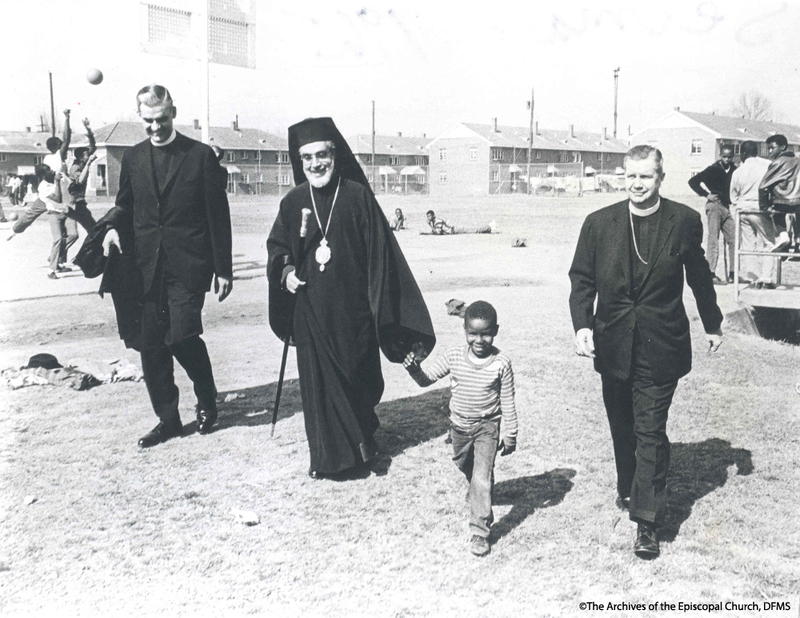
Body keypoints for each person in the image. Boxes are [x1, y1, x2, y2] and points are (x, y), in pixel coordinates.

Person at [569, 145, 723, 559]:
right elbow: (582, 279)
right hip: (614, 343)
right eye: (631, 176)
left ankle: (646, 523)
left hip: (661, 345)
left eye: (646, 177)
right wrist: (583, 324)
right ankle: (628, 487)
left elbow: (699, 277)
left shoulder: (685, 221)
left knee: (649, 430)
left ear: (660, 178)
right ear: (624, 177)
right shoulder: (599, 223)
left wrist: (712, 322)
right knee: (623, 427)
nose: (638, 184)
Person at [266, 117, 435, 478]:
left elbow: (382, 256)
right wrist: (286, 273)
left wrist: (383, 312)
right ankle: (329, 460)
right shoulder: (293, 201)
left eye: (322, 155)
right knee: (318, 389)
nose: (315, 164)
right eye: (307, 158)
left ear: (335, 154)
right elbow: (279, 249)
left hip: (354, 311)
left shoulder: (357, 196)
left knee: (359, 379)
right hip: (310, 311)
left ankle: (361, 439)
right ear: (300, 162)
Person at [101, 84, 232, 448]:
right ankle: (169, 420)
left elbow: (217, 216)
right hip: (144, 267)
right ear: (139, 117)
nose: (155, 127)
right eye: (148, 121)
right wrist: (112, 227)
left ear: (172, 111)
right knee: (151, 345)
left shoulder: (200, 156)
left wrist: (224, 269)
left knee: (183, 335)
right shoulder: (133, 157)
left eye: (161, 119)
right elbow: (125, 204)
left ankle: (207, 398)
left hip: (188, 265)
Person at [403, 300, 517, 557]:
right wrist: (413, 369)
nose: (479, 339)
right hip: (459, 428)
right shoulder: (454, 356)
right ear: (465, 331)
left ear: (495, 330)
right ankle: (480, 488)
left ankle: (480, 531)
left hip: (488, 426)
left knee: (481, 476)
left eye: (486, 333)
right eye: (473, 333)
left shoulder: (502, 363)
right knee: (465, 465)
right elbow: (426, 380)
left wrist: (510, 433)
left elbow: (508, 400)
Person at [729, 141, 778, 288]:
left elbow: (733, 195)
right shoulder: (766, 167)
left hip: (743, 209)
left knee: (748, 245)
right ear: (756, 152)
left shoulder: (738, 171)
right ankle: (766, 278)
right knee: (769, 243)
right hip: (760, 209)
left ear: (743, 154)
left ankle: (753, 278)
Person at [688, 144, 736, 284]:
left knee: (733, 239)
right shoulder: (713, 169)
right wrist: (706, 194)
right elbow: (693, 181)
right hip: (714, 206)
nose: (727, 159)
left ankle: (733, 274)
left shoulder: (734, 170)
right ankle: (710, 274)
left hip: (727, 207)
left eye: (730, 157)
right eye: (725, 156)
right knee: (713, 239)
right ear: (720, 155)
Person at [61, 118, 99, 265]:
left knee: (92, 231)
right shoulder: (76, 168)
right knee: (78, 233)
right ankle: (60, 255)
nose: (89, 155)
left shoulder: (83, 161)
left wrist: (88, 129)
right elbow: (80, 182)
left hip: (79, 204)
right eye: (86, 155)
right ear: (81, 157)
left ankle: (72, 257)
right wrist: (89, 164)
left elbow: (93, 145)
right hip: (73, 205)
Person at [759, 134, 800, 252]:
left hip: (781, 201)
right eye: (768, 149)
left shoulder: (777, 163)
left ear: (783, 147)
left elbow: (763, 186)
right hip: (798, 201)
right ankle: (798, 239)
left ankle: (783, 235)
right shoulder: (798, 160)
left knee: (777, 214)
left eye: (772, 148)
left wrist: (764, 206)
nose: (770, 151)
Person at [44, 109, 72, 174]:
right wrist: (67, 118)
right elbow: (66, 140)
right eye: (60, 144)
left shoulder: (46, 158)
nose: (63, 146)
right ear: (54, 147)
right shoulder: (57, 156)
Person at [426, 210, 492, 235]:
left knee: (474, 230)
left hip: (455, 230)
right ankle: (488, 228)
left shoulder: (437, 221)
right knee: (473, 230)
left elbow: (438, 232)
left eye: (429, 216)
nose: (428, 218)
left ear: (433, 215)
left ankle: (489, 227)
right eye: (427, 216)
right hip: (454, 229)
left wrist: (430, 225)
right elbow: (435, 232)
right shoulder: (435, 222)